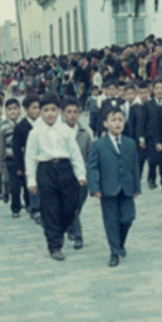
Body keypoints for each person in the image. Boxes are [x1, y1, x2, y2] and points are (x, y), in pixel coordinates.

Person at [25, 93, 86, 262]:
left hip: (65, 169)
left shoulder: (65, 130)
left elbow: (75, 154)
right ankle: (54, 246)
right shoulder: (35, 133)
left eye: (53, 110)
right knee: (50, 210)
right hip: (45, 170)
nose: (50, 114)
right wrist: (31, 180)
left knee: (70, 206)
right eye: (45, 110)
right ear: (41, 112)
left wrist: (80, 174)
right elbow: (30, 158)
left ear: (59, 111)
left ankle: (60, 231)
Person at [87, 106, 141, 267]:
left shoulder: (130, 143)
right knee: (111, 221)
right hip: (108, 189)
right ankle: (114, 252)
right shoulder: (99, 145)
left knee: (128, 217)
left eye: (120, 120)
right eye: (113, 120)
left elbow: (135, 166)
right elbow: (92, 167)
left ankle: (120, 242)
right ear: (105, 123)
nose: (117, 123)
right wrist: (94, 187)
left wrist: (136, 187)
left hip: (127, 187)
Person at [61, 97, 92, 250]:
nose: (72, 115)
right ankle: (78, 237)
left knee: (78, 205)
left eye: (75, 112)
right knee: (72, 206)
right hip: (65, 176)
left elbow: (90, 155)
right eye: (69, 112)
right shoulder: (58, 133)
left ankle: (69, 224)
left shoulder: (84, 133)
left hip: (81, 176)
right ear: (62, 114)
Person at [13, 94, 41, 222]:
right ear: (26, 109)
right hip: (28, 159)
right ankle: (34, 208)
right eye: (34, 108)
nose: (37, 111)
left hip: (43, 158)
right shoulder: (21, 126)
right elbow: (16, 148)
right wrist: (19, 166)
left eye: (39, 107)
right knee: (30, 183)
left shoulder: (43, 124)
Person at [0, 98, 22, 215]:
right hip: (10, 160)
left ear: (20, 110)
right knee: (14, 186)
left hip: (24, 159)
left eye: (15, 109)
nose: (12, 111)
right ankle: (15, 208)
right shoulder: (3, 127)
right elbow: (0, 146)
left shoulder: (24, 125)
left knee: (26, 185)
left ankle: (31, 205)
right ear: (5, 111)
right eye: (9, 109)